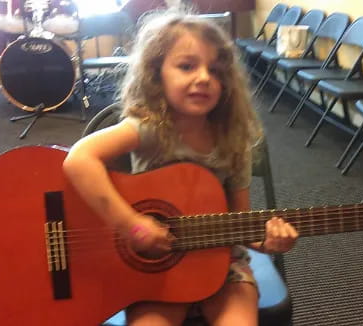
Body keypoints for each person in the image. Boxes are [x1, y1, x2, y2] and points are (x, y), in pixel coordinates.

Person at [63, 8, 298, 326]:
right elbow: (79, 159)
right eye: (187, 66)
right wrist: (132, 224)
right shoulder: (148, 128)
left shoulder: (234, 141)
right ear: (156, 73)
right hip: (154, 270)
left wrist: (269, 240)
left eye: (216, 71)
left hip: (222, 267)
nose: (203, 77)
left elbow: (241, 224)